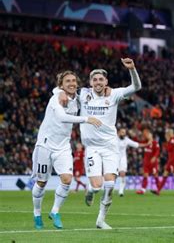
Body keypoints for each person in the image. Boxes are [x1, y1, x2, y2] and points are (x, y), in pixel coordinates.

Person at [59, 58, 141, 229]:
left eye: (101, 79)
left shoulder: (114, 94)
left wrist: (132, 69)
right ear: (90, 82)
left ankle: (101, 220)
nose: (98, 82)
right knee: (97, 187)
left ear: (106, 82)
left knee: (110, 185)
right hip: (92, 148)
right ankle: (91, 190)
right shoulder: (83, 94)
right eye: (94, 79)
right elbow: (63, 87)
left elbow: (136, 87)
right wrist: (58, 92)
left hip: (110, 146)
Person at [31, 71, 101, 230]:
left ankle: (55, 212)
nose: (72, 83)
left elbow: (94, 92)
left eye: (74, 81)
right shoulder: (56, 97)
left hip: (63, 146)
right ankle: (37, 213)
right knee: (41, 182)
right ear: (61, 85)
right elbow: (62, 117)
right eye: (67, 81)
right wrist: (86, 119)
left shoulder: (78, 99)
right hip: (45, 145)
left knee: (67, 179)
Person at [117, 127, 150, 197]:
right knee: (112, 175)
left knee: (122, 174)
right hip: (113, 159)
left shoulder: (126, 140)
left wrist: (146, 144)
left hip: (122, 159)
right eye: (122, 132)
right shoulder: (113, 138)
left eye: (125, 132)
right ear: (118, 132)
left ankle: (121, 191)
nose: (124, 134)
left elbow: (137, 144)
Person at [136, 128, 160, 195]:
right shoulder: (145, 142)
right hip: (146, 162)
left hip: (153, 163)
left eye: (149, 135)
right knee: (145, 175)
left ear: (151, 136)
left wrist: (154, 157)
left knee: (155, 175)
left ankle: (158, 189)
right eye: (147, 135)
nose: (147, 136)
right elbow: (139, 143)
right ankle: (143, 190)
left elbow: (157, 151)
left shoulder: (155, 143)